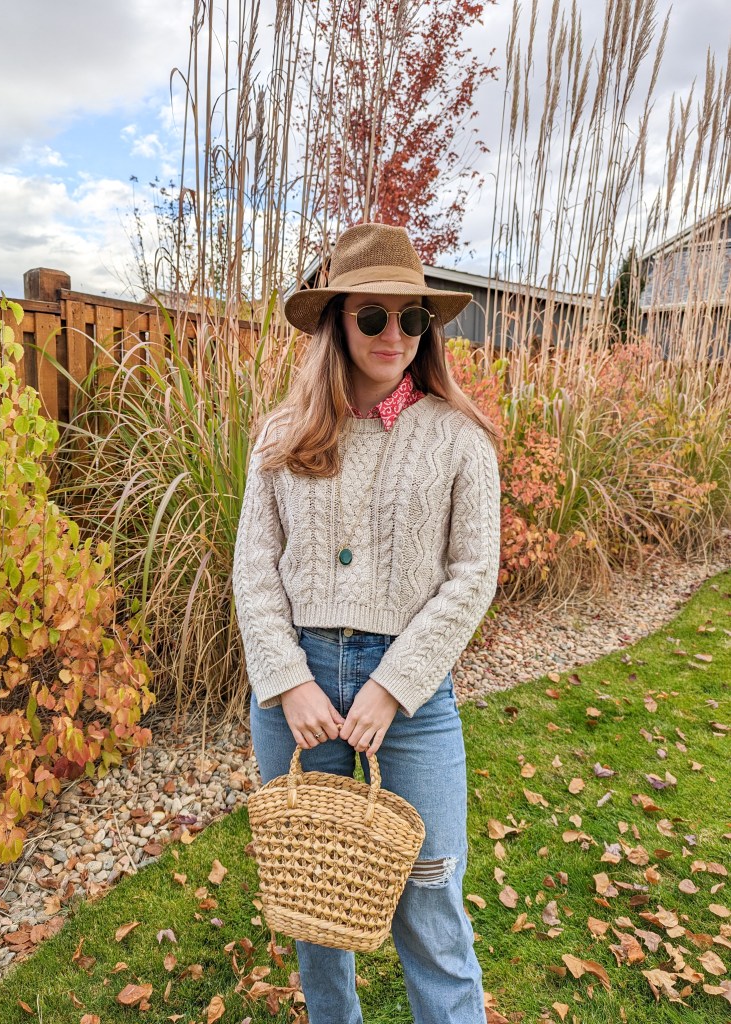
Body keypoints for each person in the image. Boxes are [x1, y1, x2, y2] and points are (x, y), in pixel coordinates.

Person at [232, 222, 502, 1024]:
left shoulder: (458, 437)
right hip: (300, 688)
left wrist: (392, 686)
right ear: (335, 322)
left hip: (410, 697)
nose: (395, 335)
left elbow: (472, 574)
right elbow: (253, 568)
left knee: (430, 894)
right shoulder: (281, 435)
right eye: (373, 315)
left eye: (412, 317)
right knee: (314, 902)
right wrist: (286, 681)